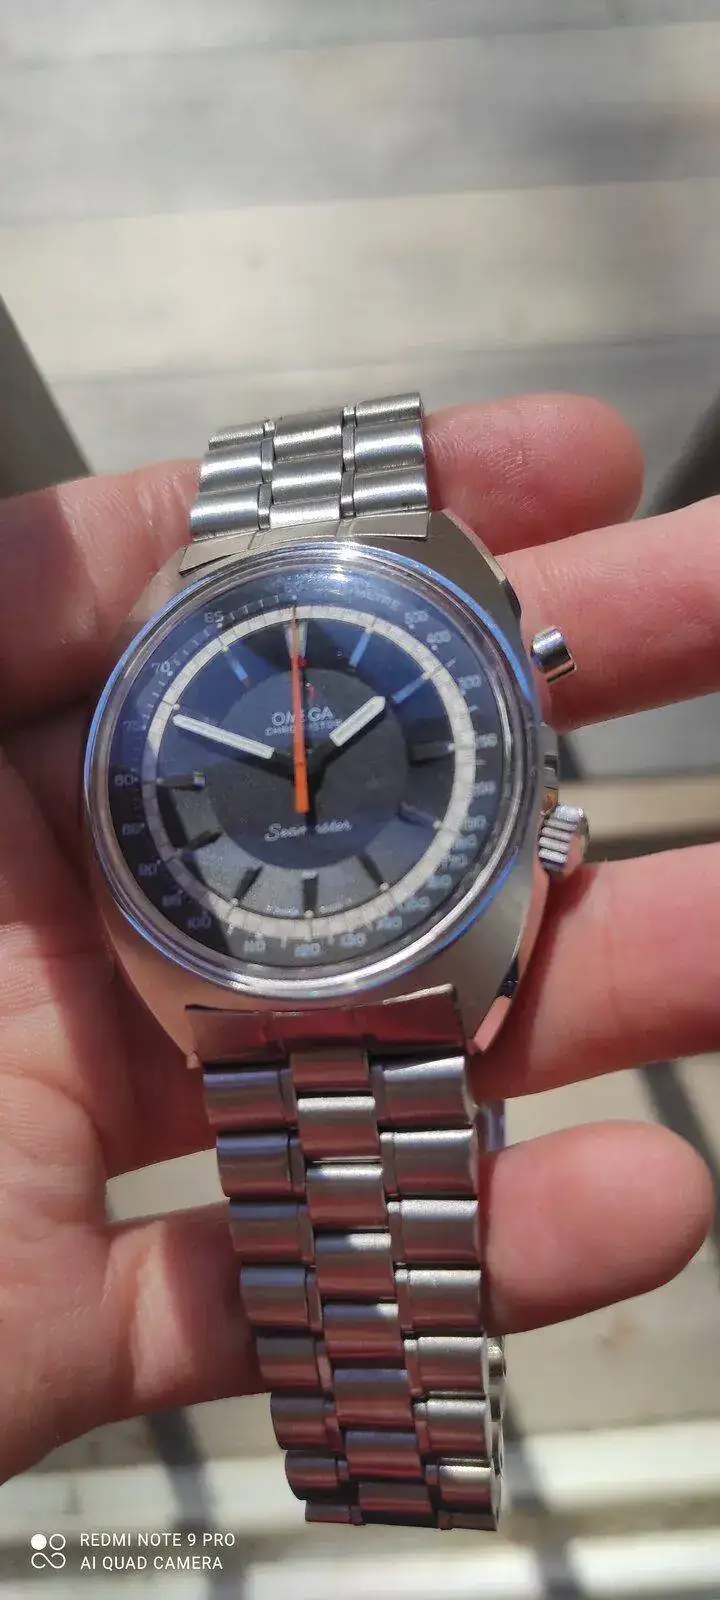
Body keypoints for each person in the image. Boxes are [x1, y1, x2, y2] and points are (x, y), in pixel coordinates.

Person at [0, 394, 714, 1483]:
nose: (302, 787)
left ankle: (399, 1431)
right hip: (218, 986)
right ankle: (392, 1440)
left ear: (544, 816)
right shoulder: (169, 647)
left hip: (368, 979)